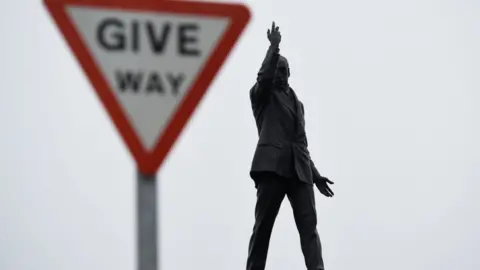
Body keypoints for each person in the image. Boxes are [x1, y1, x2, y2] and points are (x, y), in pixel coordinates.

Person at [246, 22, 335, 270]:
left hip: (300, 171)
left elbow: (302, 143)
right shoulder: (261, 96)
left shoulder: (299, 104)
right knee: (263, 227)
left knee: (310, 228)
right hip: (272, 168)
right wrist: (274, 47)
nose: (281, 74)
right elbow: (263, 77)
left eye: (285, 70)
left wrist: (316, 176)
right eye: (278, 70)